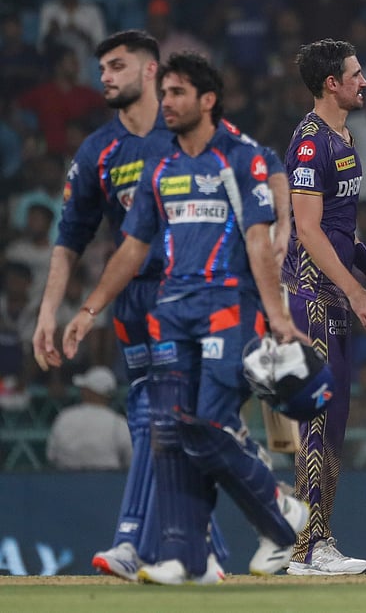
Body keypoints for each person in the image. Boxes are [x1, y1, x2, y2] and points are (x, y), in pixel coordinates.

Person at [60, 51, 309, 585]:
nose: (166, 104)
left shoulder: (239, 157)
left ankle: (278, 509)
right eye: (164, 93)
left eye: (176, 94)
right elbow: (131, 248)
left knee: (207, 424)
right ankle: (184, 556)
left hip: (228, 307)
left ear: (207, 100)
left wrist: (277, 314)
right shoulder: (162, 165)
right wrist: (88, 309)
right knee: (170, 430)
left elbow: (258, 240)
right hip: (170, 312)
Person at [31, 30, 219, 582]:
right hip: (131, 300)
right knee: (154, 421)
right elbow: (70, 238)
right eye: (102, 68)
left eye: (117, 65)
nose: (105, 76)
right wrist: (50, 311)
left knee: (161, 414)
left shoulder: (188, 132)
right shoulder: (98, 151)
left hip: (185, 290)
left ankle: (130, 541)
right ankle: (202, 547)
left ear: (150, 73)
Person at [283, 38, 366, 576]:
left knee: (335, 419)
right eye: (355, 74)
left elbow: (338, 224)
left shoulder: (343, 136)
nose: (364, 81)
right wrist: (355, 290)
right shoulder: (310, 143)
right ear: (332, 83)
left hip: (335, 292)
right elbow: (306, 229)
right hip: (312, 294)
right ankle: (307, 546)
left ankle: (318, 537)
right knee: (318, 419)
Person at [47, 365, 132, 470]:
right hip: (107, 483)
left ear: (88, 391)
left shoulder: (65, 416)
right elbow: (130, 459)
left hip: (67, 481)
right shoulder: (118, 423)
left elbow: (51, 455)